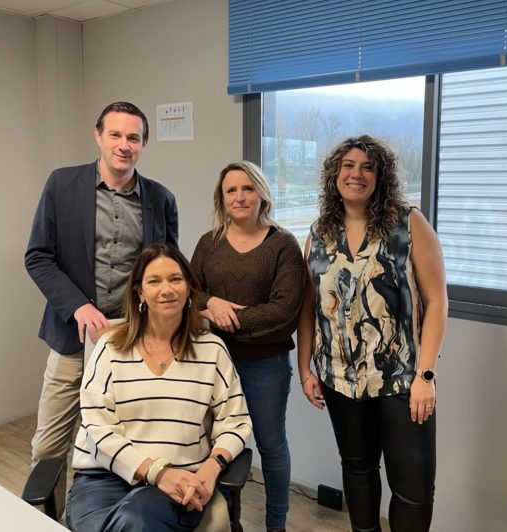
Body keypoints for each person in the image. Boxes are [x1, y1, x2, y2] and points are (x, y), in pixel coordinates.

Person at [25, 102, 179, 496]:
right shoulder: (62, 185)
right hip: (73, 336)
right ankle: (49, 519)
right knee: (48, 446)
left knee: (126, 442)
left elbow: (167, 269)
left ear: (144, 143)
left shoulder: (161, 199)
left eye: (133, 138)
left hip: (132, 338)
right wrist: (78, 305)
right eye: (115, 135)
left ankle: (108, 515)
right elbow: (38, 257)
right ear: (98, 136)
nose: (124, 145)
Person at [297, 136, 448, 532]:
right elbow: (308, 307)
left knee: (413, 489)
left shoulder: (408, 224)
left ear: (381, 176)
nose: (357, 174)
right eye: (348, 165)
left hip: (402, 379)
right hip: (339, 379)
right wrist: (305, 369)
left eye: (367, 167)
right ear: (335, 175)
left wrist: (426, 376)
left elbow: (437, 302)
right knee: (358, 472)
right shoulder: (318, 233)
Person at [66, 243, 252, 531]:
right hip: (103, 480)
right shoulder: (110, 346)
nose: (167, 289)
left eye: (175, 279)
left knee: (135, 518)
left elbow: (236, 421)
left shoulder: (211, 350)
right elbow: (97, 426)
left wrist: (211, 468)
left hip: (179, 482)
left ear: (189, 288)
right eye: (154, 281)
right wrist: (155, 471)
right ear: (140, 293)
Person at [190, 161, 305, 532]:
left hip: (265, 365)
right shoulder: (208, 244)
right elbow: (189, 292)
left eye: (247, 188)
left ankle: (276, 525)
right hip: (212, 363)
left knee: (271, 446)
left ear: (262, 194)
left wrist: (226, 319)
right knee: (211, 445)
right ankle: (223, 521)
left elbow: (285, 311)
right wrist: (211, 303)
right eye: (231, 190)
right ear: (221, 198)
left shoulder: (283, 244)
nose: (239, 197)